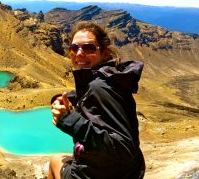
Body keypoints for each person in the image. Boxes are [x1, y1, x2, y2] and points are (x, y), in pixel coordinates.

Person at [48, 21, 145, 179]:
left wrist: (71, 121)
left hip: (100, 174)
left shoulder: (99, 88)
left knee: (54, 161)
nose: (79, 53)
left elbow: (125, 149)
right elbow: (90, 91)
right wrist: (66, 98)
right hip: (127, 171)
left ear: (105, 53)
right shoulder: (111, 77)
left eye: (88, 47)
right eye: (74, 48)